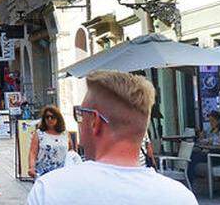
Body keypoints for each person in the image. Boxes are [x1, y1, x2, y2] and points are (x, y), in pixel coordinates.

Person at [24, 71, 198, 204]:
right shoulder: (181, 198)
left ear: (95, 123)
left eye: (82, 115)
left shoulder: (50, 191)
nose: (80, 122)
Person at [28, 105, 69, 178]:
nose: (49, 119)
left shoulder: (65, 134)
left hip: (62, 173)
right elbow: (33, 152)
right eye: (47, 117)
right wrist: (31, 167)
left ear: (58, 118)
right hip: (43, 173)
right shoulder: (39, 134)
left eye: (52, 117)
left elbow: (72, 152)